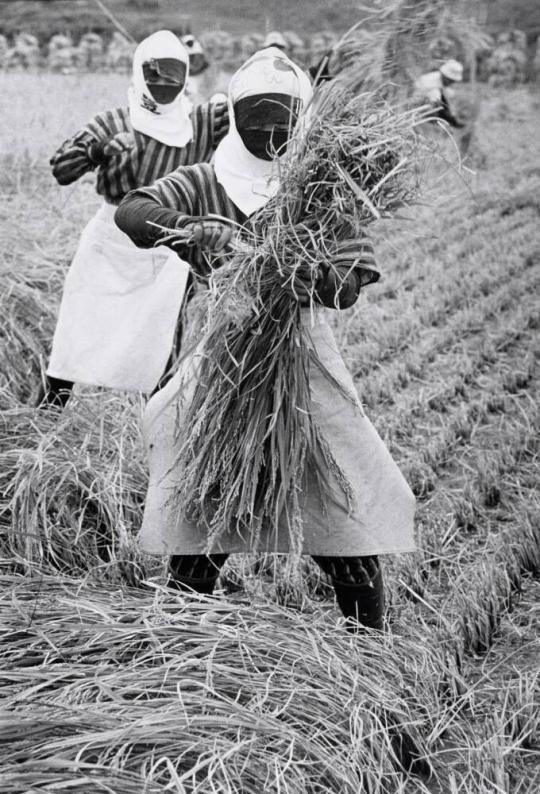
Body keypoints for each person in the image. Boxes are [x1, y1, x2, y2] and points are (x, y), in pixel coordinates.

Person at [115, 46, 416, 632]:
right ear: (236, 120)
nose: (269, 138)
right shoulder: (206, 180)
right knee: (201, 471)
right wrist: (188, 230)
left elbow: (349, 284)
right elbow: (133, 210)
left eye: (281, 127)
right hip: (222, 356)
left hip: (302, 359)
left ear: (299, 122)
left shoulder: (319, 185)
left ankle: (368, 638)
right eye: (257, 125)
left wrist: (316, 274)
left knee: (337, 479)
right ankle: (184, 625)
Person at [39, 30, 229, 409]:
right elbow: (61, 169)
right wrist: (99, 150)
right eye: (155, 76)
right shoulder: (113, 122)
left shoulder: (200, 123)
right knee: (82, 321)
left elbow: (249, 117)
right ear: (139, 73)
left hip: (170, 241)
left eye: (173, 77)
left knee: (162, 337)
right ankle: (50, 406)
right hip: (110, 240)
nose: (163, 85)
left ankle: (154, 417)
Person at [414, 58, 465, 128]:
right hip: (421, 105)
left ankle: (451, 122)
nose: (451, 83)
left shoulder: (441, 82)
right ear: (446, 77)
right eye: (451, 81)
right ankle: (433, 123)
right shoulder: (429, 82)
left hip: (428, 103)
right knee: (436, 97)